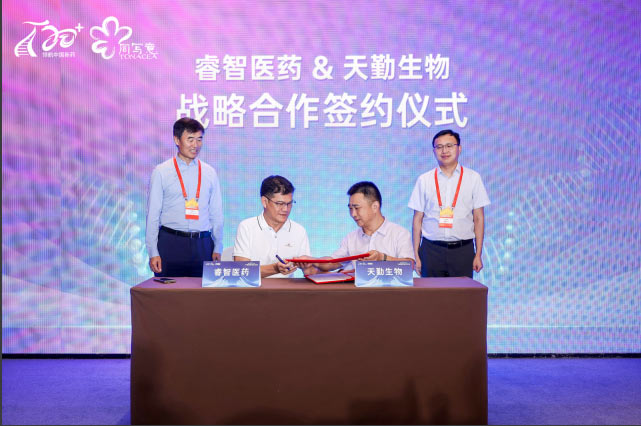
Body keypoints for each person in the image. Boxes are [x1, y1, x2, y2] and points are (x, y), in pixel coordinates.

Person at [145, 117, 223, 277]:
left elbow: (216, 213)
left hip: (203, 245)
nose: (196, 145)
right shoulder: (161, 172)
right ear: (176, 140)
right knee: (168, 292)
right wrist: (153, 251)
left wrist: (217, 246)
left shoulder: (209, 172)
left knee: (202, 292)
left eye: (199, 139)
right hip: (171, 243)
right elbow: (153, 214)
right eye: (190, 139)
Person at [408, 129, 490, 278]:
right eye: (439, 147)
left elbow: (479, 218)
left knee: (461, 293)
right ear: (434, 151)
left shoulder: (473, 178)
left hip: (462, 250)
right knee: (430, 293)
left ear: (459, 148)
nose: (444, 151)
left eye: (449, 146)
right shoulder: (424, 180)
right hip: (431, 250)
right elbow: (417, 219)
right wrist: (416, 255)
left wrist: (478, 254)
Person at [313, 181, 415, 272]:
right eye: (350, 208)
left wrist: (382, 258)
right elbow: (333, 262)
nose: (353, 214)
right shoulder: (351, 238)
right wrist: (312, 261)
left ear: (375, 206)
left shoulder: (399, 233)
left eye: (357, 208)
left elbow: (409, 266)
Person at [233, 175, 314, 278]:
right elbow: (241, 270)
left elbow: (309, 271)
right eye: (280, 203)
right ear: (264, 202)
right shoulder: (247, 227)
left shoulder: (299, 230)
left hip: (287, 288)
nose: (285, 209)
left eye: (289, 203)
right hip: (256, 287)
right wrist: (275, 268)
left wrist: (309, 267)